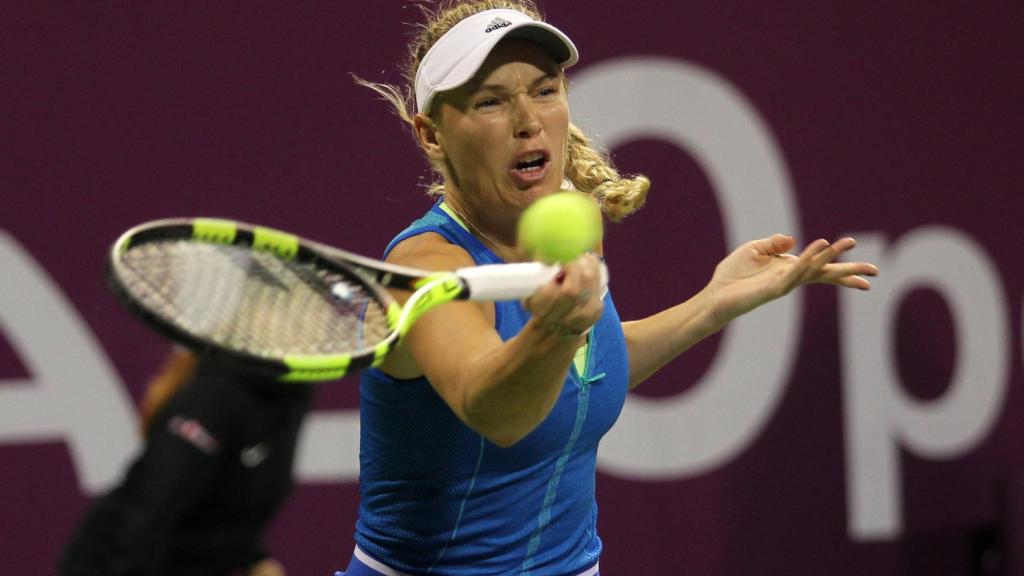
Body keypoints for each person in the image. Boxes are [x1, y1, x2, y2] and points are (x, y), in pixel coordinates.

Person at [340, 1, 879, 575]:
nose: (528, 119)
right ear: (431, 134)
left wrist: (713, 304)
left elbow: (582, 368)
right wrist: (556, 326)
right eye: (492, 100)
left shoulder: (574, 221)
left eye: (545, 90)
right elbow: (494, 410)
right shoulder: (425, 269)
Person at [58, 348, 313, 576]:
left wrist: (253, 559)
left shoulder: (291, 398)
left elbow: (220, 500)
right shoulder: (212, 400)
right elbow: (153, 509)